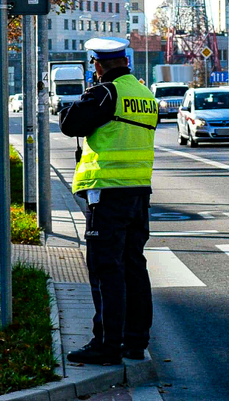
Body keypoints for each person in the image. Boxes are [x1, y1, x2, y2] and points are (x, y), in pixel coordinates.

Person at [59, 37, 158, 365]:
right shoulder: (144, 94)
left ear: (98, 65)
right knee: (134, 265)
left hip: (107, 193)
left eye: (94, 65)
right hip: (139, 192)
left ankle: (107, 343)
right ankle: (135, 341)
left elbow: (69, 124)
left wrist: (85, 94)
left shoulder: (105, 93)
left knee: (105, 268)